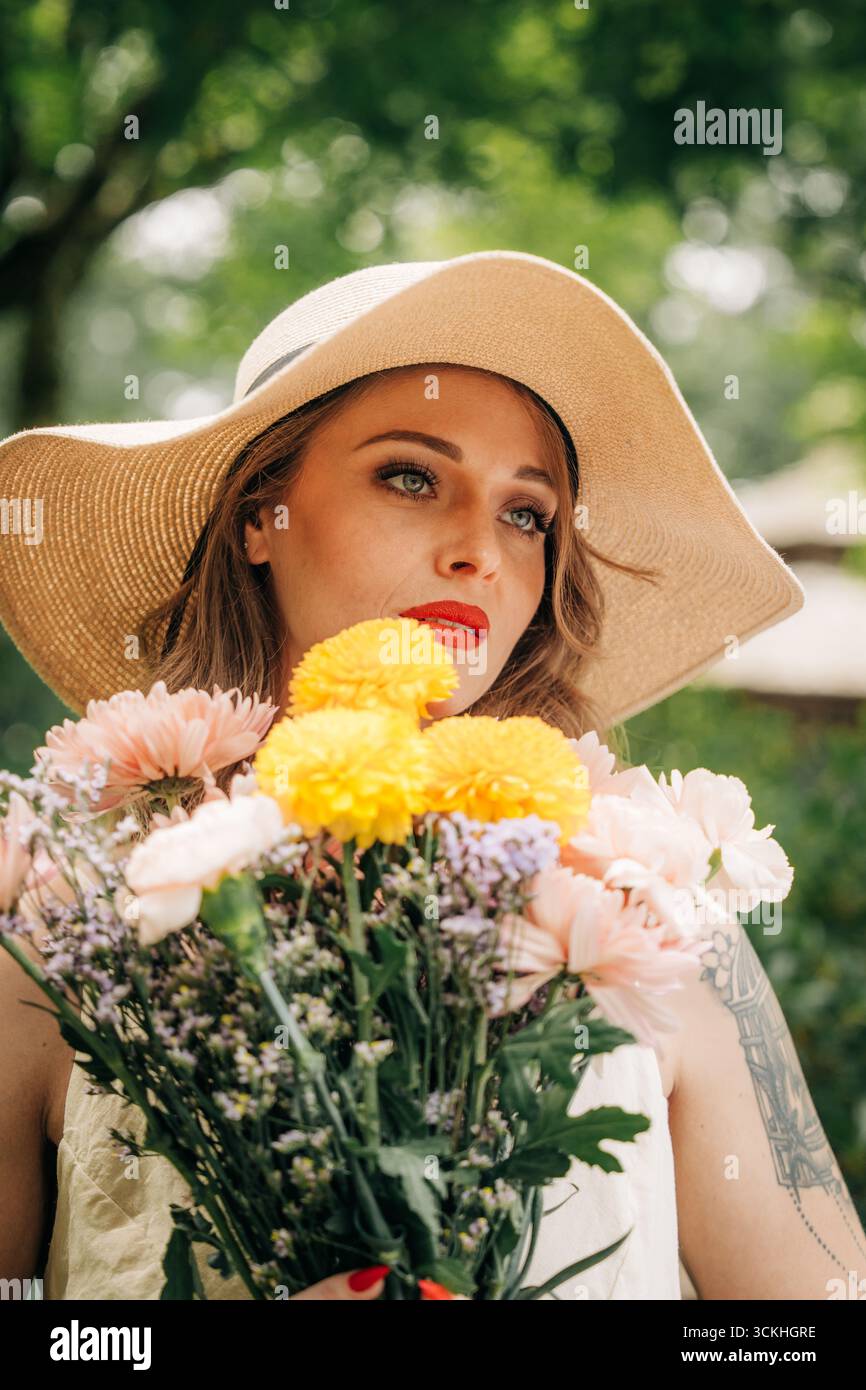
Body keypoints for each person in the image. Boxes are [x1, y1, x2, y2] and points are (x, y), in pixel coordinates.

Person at [0, 252, 863, 1301]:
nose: (478, 550)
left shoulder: (652, 919)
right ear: (256, 518)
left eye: (525, 512)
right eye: (409, 476)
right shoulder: (61, 942)